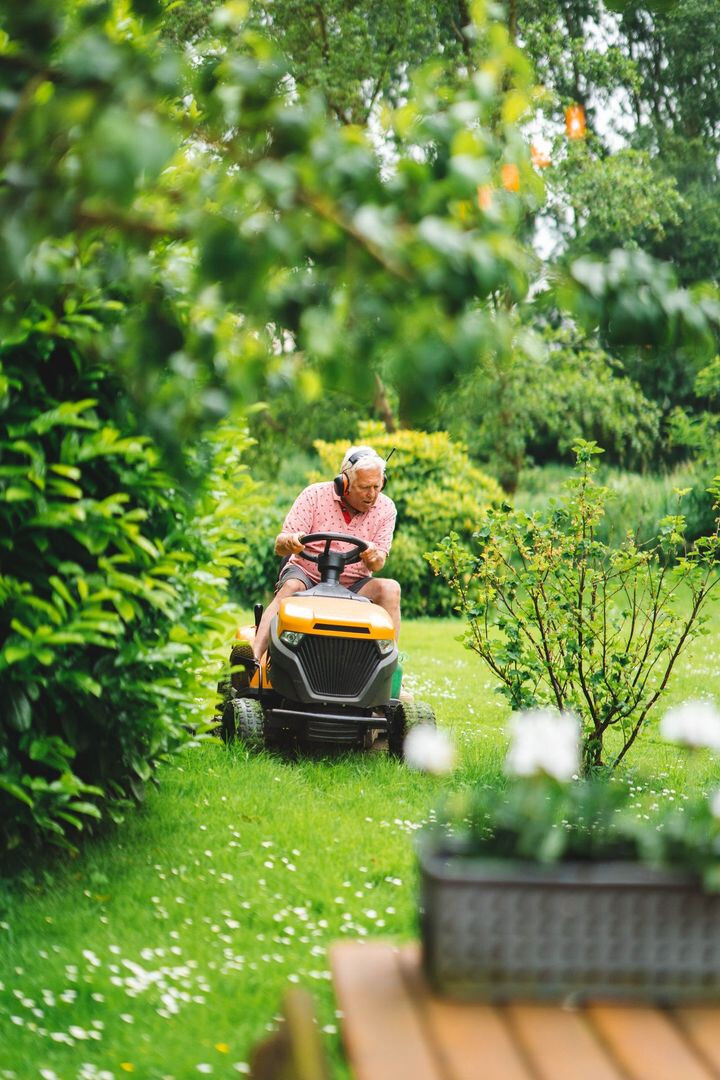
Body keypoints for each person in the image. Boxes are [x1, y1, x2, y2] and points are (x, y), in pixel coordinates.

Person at [252, 445, 400, 660]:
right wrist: (291, 542)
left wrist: (373, 556)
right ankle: (253, 661)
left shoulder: (386, 508)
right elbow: (279, 545)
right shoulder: (314, 495)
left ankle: (392, 671)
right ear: (344, 484)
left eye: (377, 487)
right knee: (291, 586)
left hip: (354, 585)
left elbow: (378, 563)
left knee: (391, 589)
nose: (372, 495)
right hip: (307, 576)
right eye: (365, 487)